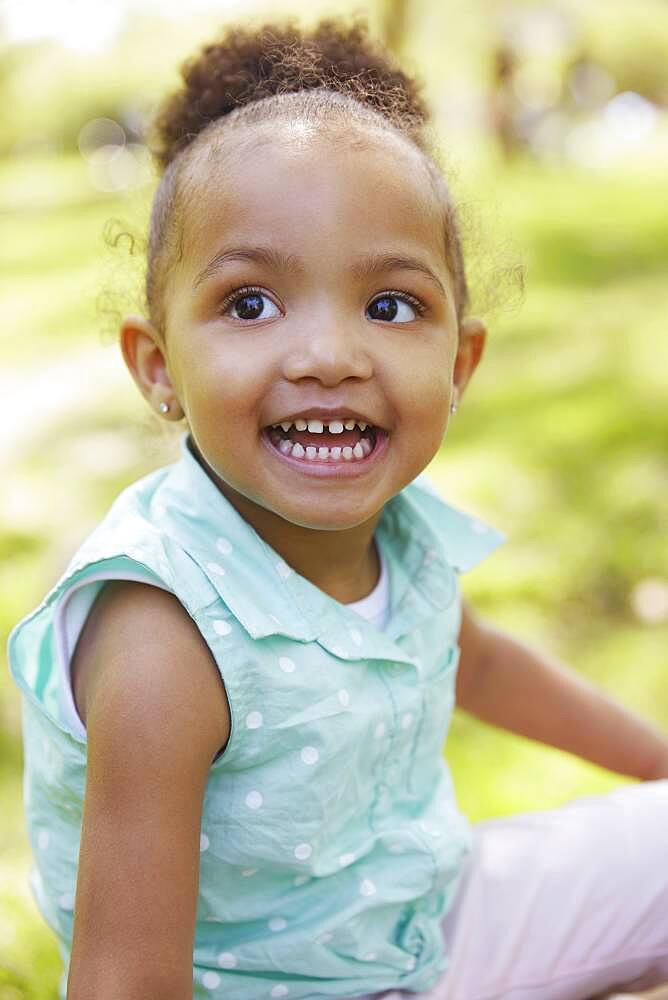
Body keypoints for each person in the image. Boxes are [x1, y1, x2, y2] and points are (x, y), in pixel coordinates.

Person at [8, 19, 668, 1000]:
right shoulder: (164, 637)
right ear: (158, 369)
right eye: (249, 304)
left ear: (458, 364)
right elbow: (123, 980)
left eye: (388, 306)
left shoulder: (391, 532)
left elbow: (478, 658)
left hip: (421, 924)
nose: (329, 354)